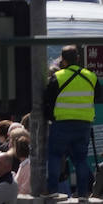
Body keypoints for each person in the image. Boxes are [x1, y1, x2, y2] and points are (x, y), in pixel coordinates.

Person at [44, 45, 101, 198]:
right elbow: (98, 97)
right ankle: (83, 194)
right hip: (83, 124)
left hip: (61, 123)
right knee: (81, 159)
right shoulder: (91, 76)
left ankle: (53, 191)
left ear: (63, 60)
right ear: (78, 59)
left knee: (55, 155)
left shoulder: (58, 77)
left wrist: (51, 117)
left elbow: (47, 101)